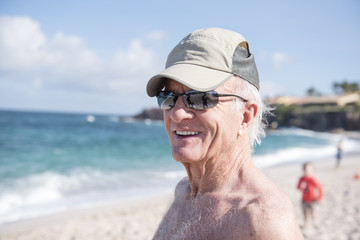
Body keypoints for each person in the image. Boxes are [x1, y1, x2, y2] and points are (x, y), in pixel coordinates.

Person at [146, 28, 304, 239]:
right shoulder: (183, 192)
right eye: (168, 97)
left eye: (200, 98)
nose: (176, 113)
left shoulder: (263, 219)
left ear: (245, 116)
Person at [297, 162, 323, 228]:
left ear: (312, 170)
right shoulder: (302, 179)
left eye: (309, 169)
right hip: (304, 199)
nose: (307, 171)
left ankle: (314, 222)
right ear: (303, 170)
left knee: (312, 212)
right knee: (304, 212)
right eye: (305, 169)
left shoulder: (312, 179)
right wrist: (301, 186)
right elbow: (298, 188)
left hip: (312, 199)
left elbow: (320, 188)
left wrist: (320, 197)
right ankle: (306, 223)